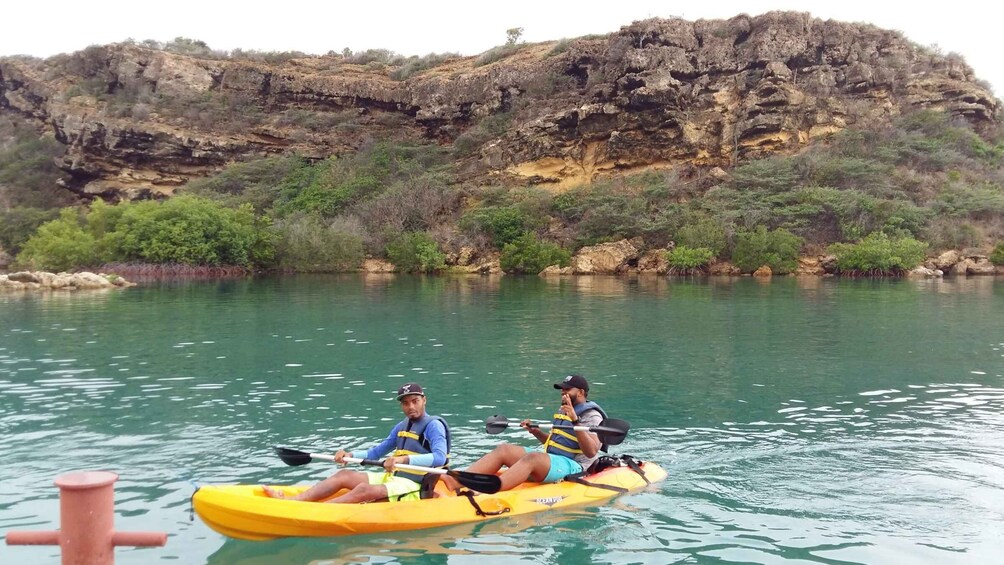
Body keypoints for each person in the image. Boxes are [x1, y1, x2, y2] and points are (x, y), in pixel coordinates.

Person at [263, 382, 451, 503]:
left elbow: (439, 457)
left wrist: (403, 460)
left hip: (415, 484)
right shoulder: (402, 425)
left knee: (363, 489)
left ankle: (313, 512)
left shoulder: (433, 426)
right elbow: (376, 452)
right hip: (395, 478)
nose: (410, 407)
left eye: (415, 401)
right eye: (405, 403)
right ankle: (294, 501)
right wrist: (350, 455)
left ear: (423, 400)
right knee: (343, 474)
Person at [447, 374, 607, 492]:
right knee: (504, 449)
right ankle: (456, 480)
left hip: (577, 467)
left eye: (567, 389)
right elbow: (555, 444)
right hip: (556, 460)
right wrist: (536, 432)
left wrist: (575, 421)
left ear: (580, 392)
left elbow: (591, 450)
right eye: (562, 389)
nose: (562, 392)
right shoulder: (564, 409)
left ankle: (490, 489)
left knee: (532, 458)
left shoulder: (592, 416)